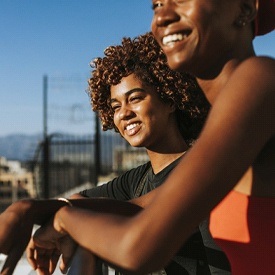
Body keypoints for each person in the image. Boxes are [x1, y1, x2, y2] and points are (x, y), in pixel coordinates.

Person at [0, 0, 274, 274]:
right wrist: (27, 208)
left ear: (246, 8)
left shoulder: (259, 80)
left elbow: (138, 249)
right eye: (156, 5)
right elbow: (141, 206)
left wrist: (64, 221)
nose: (162, 17)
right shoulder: (218, 140)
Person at [28, 32, 229, 275]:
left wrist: (63, 220)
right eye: (115, 106)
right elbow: (81, 200)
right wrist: (26, 210)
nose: (123, 113)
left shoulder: (204, 169)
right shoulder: (138, 179)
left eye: (135, 98)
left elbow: (142, 212)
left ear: (170, 99)